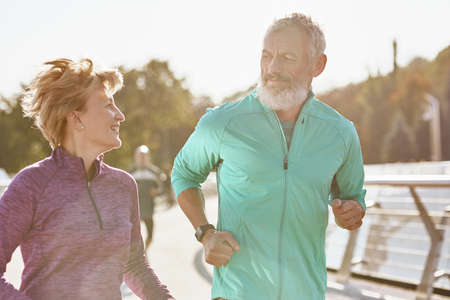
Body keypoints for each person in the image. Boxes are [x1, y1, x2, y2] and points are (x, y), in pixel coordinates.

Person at [171, 13, 366, 300]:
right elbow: (183, 173)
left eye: (287, 57)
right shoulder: (223, 122)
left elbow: (354, 199)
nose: (272, 68)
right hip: (236, 293)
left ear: (317, 65)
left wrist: (352, 212)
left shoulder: (340, 132)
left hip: (306, 293)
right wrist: (206, 233)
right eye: (267, 55)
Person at [0, 58, 174, 300]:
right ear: (76, 118)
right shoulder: (31, 185)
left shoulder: (123, 185)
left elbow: (134, 266)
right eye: (108, 105)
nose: (120, 116)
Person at [130, 145, 166, 250]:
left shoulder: (155, 172)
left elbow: (164, 189)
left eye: (144, 156)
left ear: (148, 157)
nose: (142, 158)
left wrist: (157, 192)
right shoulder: (129, 173)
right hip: (134, 212)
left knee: (150, 236)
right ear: (135, 157)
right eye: (139, 156)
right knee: (133, 237)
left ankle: (145, 250)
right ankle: (137, 255)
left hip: (149, 211)